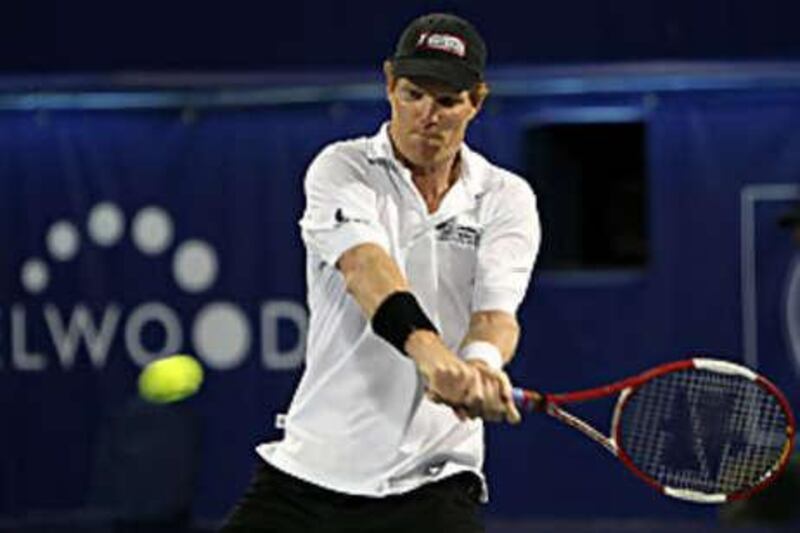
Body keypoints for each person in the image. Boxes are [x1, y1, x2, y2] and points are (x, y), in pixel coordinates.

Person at [222, 12, 540, 533]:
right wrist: (433, 356)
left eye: (446, 101)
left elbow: (496, 315)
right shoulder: (341, 167)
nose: (427, 115)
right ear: (390, 83)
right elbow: (367, 270)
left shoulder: (507, 197)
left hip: (435, 480)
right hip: (309, 476)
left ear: (476, 102)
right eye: (413, 93)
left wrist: (480, 366)